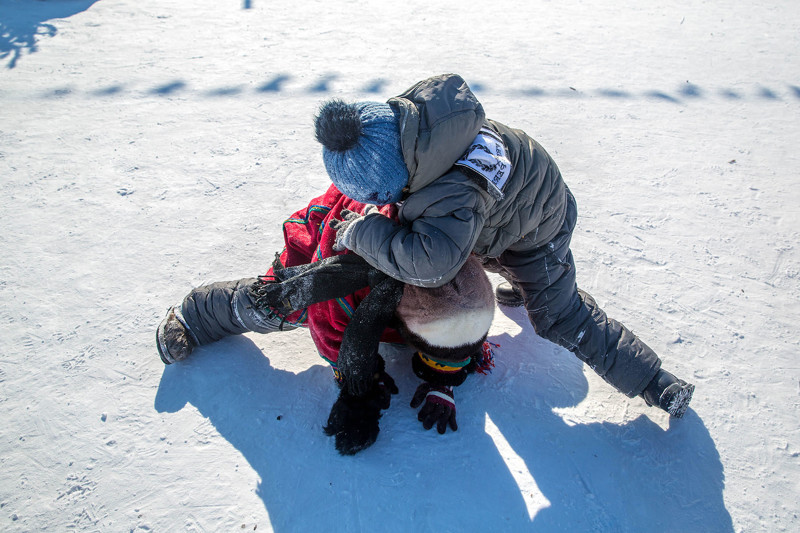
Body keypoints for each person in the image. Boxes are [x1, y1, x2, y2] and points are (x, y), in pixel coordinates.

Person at [313, 73, 694, 418]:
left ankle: (653, 381)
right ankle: (524, 286)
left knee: (558, 317)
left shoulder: (451, 193)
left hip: (536, 234)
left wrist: (363, 233)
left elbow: (430, 266)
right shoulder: (425, 132)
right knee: (467, 251)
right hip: (511, 211)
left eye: (379, 195)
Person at [157, 184, 496, 454]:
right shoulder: (344, 275)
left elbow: (461, 325)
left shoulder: (455, 252)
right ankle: (198, 314)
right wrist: (358, 384)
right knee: (280, 302)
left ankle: (421, 333)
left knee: (444, 329)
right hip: (333, 242)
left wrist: (444, 380)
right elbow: (329, 329)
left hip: (402, 283)